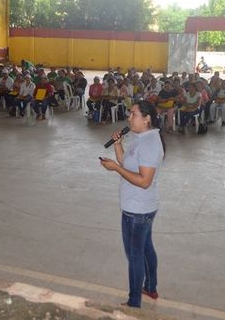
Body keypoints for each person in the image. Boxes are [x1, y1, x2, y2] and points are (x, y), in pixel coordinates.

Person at [99, 100, 165, 308]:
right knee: (145, 249)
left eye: (133, 114)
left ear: (146, 119)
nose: (129, 118)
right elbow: (126, 163)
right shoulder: (140, 138)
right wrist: (118, 145)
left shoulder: (150, 144)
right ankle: (150, 287)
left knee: (135, 255)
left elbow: (144, 181)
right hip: (138, 207)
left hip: (138, 210)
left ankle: (134, 302)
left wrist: (116, 170)